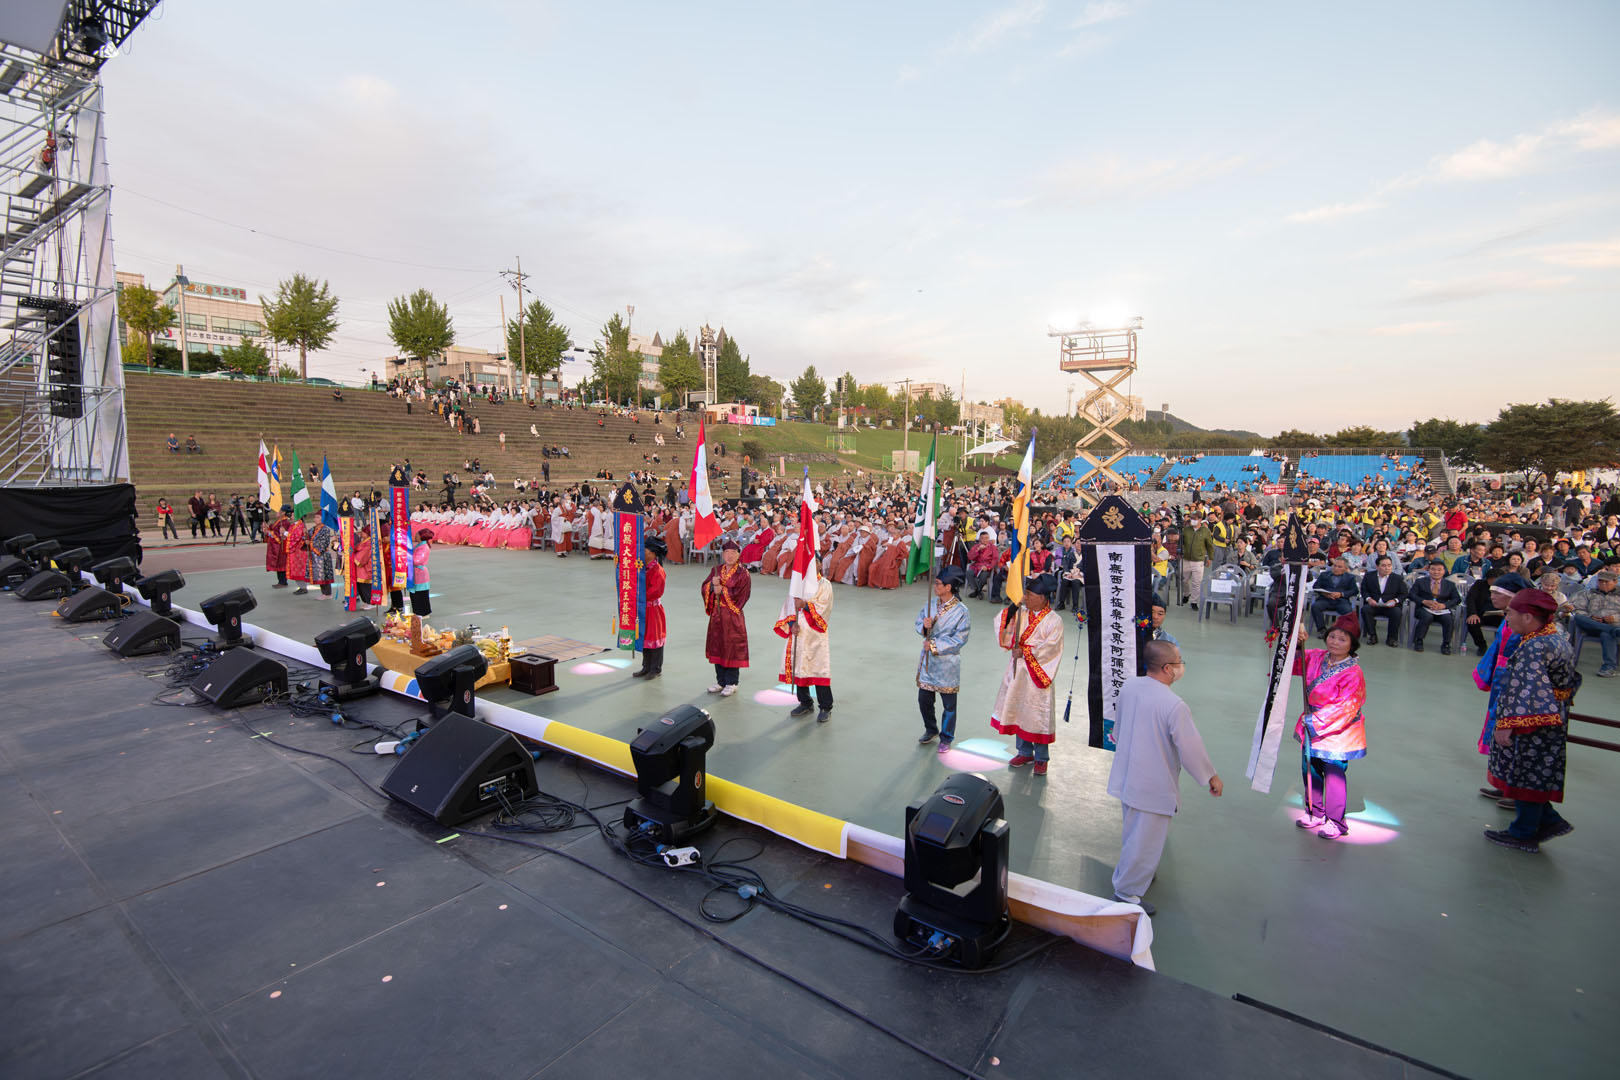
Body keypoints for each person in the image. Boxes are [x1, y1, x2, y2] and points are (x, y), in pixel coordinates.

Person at [1106, 639, 1222, 915]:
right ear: (1168, 668)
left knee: (1134, 831)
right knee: (1146, 838)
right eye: (1179, 661)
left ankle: (1137, 873)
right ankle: (1127, 893)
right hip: (1153, 782)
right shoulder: (1173, 705)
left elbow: (1118, 726)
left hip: (1128, 773)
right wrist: (1210, 776)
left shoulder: (1130, 686)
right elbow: (1190, 747)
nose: (1182, 666)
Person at [1484, 589, 1582, 852]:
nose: (1507, 618)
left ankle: (1524, 833)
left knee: (1526, 773)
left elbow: (1526, 691)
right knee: (1538, 772)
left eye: (1511, 613)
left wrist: (1507, 724)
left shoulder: (1534, 646)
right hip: (1553, 714)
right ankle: (1549, 820)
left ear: (1527, 617)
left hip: (1534, 720)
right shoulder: (1556, 637)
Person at [1292, 612, 1368, 839]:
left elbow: (1346, 707)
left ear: (1352, 645)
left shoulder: (1353, 673)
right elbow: (1295, 663)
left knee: (1334, 774)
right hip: (1313, 723)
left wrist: (1314, 721)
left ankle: (1336, 821)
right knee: (1311, 768)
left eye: (1342, 639)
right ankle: (1314, 812)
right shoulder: (1317, 657)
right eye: (1332, 636)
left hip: (1338, 731)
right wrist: (1296, 644)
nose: (1335, 642)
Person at [989, 574, 1064, 776]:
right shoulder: (1022, 614)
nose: (1026, 598)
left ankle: (1041, 757)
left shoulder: (1054, 621)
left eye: (1030, 595)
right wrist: (1014, 606)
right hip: (1017, 669)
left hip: (1036, 671)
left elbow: (1052, 648)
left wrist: (1026, 652)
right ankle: (1024, 752)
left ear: (1043, 597)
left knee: (1037, 714)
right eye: (1026, 594)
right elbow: (1002, 623)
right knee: (1018, 709)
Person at [1472, 572, 1530, 801]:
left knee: (1512, 730)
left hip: (1517, 681)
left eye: (1497, 593)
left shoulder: (1525, 621)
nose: (1492, 596)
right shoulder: (1508, 617)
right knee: (1499, 726)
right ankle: (1502, 782)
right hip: (1502, 678)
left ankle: (1517, 790)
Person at [916, 565, 972, 751]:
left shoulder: (962, 611)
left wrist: (934, 646)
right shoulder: (931, 604)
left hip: (947, 664)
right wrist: (925, 626)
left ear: (949, 587)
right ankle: (931, 729)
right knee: (924, 700)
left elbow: (960, 639)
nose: (935, 586)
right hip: (928, 663)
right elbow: (919, 622)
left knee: (949, 704)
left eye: (938, 583)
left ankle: (946, 737)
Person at [777, 557, 835, 721]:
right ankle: (805, 702)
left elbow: (824, 607)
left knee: (818, 669)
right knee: (799, 667)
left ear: (819, 565)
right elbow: (789, 606)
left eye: (814, 563)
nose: (810, 566)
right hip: (798, 633)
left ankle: (825, 706)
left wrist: (806, 605)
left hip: (815, 635)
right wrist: (791, 624)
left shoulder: (824, 585)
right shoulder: (797, 584)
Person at [701, 539, 751, 696]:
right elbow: (704, 586)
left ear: (738, 555)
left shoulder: (743, 574)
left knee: (732, 647)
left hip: (732, 616)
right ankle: (720, 681)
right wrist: (711, 585)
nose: (729, 556)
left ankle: (732, 682)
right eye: (727, 552)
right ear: (722, 554)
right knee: (718, 645)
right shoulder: (716, 570)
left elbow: (742, 595)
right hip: (717, 614)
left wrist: (722, 590)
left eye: (733, 553)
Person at [1562, 569, 1619, 677]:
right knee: (1578, 617)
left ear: (1615, 582)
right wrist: (1590, 617)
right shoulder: (1589, 593)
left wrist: (1614, 618)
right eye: (1600, 581)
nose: (1603, 584)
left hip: (1613, 624)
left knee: (1606, 634)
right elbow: (1576, 608)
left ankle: (1609, 667)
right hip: (1591, 624)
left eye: (1606, 582)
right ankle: (1614, 631)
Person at [632, 536, 668, 679]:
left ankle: (656, 668)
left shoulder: (658, 570)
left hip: (653, 609)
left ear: (653, 553)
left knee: (655, 638)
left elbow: (656, 591)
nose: (642, 552)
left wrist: (639, 594)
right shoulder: (641, 567)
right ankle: (646, 667)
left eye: (645, 549)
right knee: (644, 636)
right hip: (642, 608)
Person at [1411, 560, 1462, 653]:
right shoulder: (1420, 581)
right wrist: (1423, 601)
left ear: (1444, 571)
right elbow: (1411, 595)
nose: (1436, 572)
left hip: (1441, 610)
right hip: (1424, 608)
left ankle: (1446, 644)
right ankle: (1419, 640)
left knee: (1448, 619)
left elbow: (1457, 599)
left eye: (1439, 570)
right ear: (1429, 570)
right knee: (1427, 616)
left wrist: (1444, 605)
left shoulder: (1450, 584)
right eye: (1433, 569)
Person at [1359, 554, 1406, 646]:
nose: (1387, 568)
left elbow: (1404, 593)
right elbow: (1364, 590)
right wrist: (1369, 599)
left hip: (1390, 606)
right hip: (1374, 604)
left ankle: (1391, 638)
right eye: (1383, 566)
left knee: (1397, 612)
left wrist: (1395, 601)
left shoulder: (1398, 578)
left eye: (1389, 565)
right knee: (1365, 610)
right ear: (1377, 567)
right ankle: (1372, 636)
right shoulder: (1369, 576)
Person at [1310, 556, 1358, 635]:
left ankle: (1344, 630)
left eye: (1339, 567)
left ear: (1345, 568)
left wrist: (1341, 594)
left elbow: (1354, 590)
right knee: (1315, 606)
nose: (1336, 568)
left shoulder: (1350, 577)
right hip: (1325, 599)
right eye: (1334, 566)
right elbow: (1316, 587)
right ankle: (1322, 629)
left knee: (1348, 611)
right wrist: (1325, 593)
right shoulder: (1324, 575)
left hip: (1341, 600)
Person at [306, 514, 336, 598]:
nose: (315, 519)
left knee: (325, 574)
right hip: (314, 556)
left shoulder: (325, 529)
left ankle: (327, 593)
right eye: (315, 517)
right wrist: (305, 535)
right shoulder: (312, 529)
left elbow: (323, 543)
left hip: (322, 555)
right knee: (319, 575)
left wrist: (310, 543)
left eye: (318, 517)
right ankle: (324, 593)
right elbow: (307, 537)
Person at [265, 506, 292, 587]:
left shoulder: (285, 522)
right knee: (278, 563)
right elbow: (272, 529)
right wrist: (267, 528)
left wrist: (270, 533)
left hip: (281, 546)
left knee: (282, 564)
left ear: (283, 512)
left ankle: (283, 582)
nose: (276, 512)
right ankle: (280, 581)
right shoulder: (279, 521)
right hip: (276, 546)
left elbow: (280, 535)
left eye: (278, 511)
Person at [409, 529, 434, 615]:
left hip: (420, 573)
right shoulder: (419, 546)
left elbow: (417, 560)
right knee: (415, 592)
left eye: (417, 534)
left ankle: (423, 612)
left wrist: (408, 558)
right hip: (415, 572)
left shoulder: (424, 547)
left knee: (421, 593)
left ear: (421, 536)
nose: (415, 536)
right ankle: (417, 611)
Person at [286, 512, 309, 593]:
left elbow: (296, 537)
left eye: (293, 515)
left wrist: (285, 533)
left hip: (299, 551)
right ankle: (301, 587)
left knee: (300, 569)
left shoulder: (301, 526)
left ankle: (303, 587)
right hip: (294, 551)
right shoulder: (293, 525)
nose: (291, 516)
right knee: (295, 569)